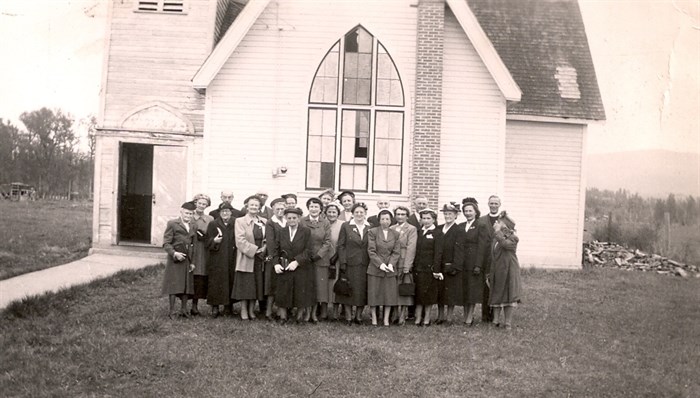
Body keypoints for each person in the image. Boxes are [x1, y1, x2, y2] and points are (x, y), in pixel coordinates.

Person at [270, 207, 314, 324]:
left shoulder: (306, 232)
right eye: (289, 218)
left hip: (301, 266)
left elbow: (308, 250)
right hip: (285, 266)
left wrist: (297, 261)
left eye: (294, 218)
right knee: (283, 292)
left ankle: (299, 318)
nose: (292, 220)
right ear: (285, 218)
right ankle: (283, 317)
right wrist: (275, 264)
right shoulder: (281, 232)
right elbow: (275, 250)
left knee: (300, 292)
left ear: (299, 219)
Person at [232, 195, 267, 320]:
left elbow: (267, 238)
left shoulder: (264, 221)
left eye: (256, 205)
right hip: (247, 256)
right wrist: (255, 250)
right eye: (251, 205)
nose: (253, 207)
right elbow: (240, 240)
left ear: (259, 208)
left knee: (256, 285)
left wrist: (264, 248)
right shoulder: (240, 221)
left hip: (260, 258)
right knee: (245, 285)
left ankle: (252, 310)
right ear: (247, 206)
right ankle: (243, 310)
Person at [336, 202, 371, 324]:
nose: (359, 214)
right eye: (356, 212)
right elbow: (341, 245)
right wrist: (343, 262)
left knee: (361, 290)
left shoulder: (369, 227)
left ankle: (359, 316)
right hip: (350, 263)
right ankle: (348, 317)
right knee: (348, 289)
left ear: (365, 213)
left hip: (365, 264)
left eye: (361, 212)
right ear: (352, 213)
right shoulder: (346, 226)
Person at [162, 201, 197, 319]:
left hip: (187, 259)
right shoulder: (172, 224)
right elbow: (166, 243)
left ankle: (184, 309)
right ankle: (171, 311)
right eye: (186, 213)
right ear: (181, 212)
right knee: (174, 284)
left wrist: (192, 262)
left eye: (191, 214)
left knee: (186, 285)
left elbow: (193, 244)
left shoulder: (193, 225)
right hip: (176, 259)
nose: (188, 216)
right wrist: (174, 253)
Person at [367, 209, 401, 326]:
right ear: (379, 220)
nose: (385, 221)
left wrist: (391, 264)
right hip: (375, 268)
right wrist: (380, 264)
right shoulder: (372, 232)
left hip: (390, 269)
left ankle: (386, 319)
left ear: (391, 220)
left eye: (387, 219)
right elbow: (371, 251)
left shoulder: (395, 234)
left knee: (389, 295)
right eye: (382, 219)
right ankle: (374, 319)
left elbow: (396, 252)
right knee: (374, 294)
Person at [489, 211, 521, 330]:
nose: (496, 223)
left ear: (505, 226)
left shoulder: (513, 238)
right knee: (497, 293)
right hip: (498, 269)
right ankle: (495, 321)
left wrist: (498, 232)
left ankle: (507, 322)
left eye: (499, 222)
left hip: (509, 269)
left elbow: (506, 245)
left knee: (508, 295)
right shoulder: (496, 237)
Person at [301, 197, 332, 323]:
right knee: (307, 287)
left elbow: (327, 242)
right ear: (308, 208)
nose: (314, 209)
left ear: (320, 209)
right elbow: (300, 240)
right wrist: (306, 256)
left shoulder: (325, 223)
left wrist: (319, 255)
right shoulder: (302, 221)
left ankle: (314, 314)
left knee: (319, 288)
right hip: (306, 259)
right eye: (311, 206)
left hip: (320, 260)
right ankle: (307, 313)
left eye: (316, 207)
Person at [460, 198, 490, 325]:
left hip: (474, 263)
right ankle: (465, 315)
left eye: (470, 211)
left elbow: (483, 246)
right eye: (465, 211)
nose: (468, 213)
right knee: (464, 289)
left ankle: (470, 317)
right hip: (462, 262)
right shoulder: (461, 226)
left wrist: (478, 264)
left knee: (472, 290)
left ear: (475, 212)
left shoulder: (481, 225)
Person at [435, 202, 465, 325]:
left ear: (456, 215)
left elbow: (459, 250)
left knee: (450, 293)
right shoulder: (439, 228)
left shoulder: (459, 230)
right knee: (440, 291)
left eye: (450, 214)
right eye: (446, 214)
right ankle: (440, 316)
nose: (448, 216)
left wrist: (455, 266)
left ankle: (449, 317)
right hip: (440, 265)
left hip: (450, 265)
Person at [206, 203, 237, 317]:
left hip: (232, 256)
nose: (225, 213)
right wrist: (214, 241)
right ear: (219, 213)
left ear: (231, 212)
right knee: (216, 281)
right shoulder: (213, 224)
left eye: (227, 211)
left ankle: (228, 306)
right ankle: (215, 307)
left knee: (230, 279)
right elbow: (207, 241)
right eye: (223, 211)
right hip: (217, 257)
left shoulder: (235, 223)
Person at [413, 208, 442, 326]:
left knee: (428, 294)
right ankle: (418, 317)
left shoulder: (438, 233)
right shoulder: (419, 232)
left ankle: (427, 319)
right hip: (418, 268)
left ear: (434, 219)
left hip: (429, 269)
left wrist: (436, 269)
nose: (426, 221)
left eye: (428, 218)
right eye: (423, 218)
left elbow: (438, 253)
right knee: (419, 293)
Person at [390, 205, 417, 325]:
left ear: (407, 216)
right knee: (393, 288)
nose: (400, 217)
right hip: (392, 262)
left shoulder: (411, 229)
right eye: (398, 214)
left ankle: (402, 315)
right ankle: (394, 313)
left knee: (404, 289)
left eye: (403, 214)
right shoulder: (391, 228)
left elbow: (411, 248)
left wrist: (407, 265)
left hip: (404, 261)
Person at [477, 195, 501, 323]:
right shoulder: (481, 220)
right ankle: (485, 315)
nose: (493, 205)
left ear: (499, 204)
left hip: (498, 257)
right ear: (488, 204)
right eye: (491, 203)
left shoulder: (504, 220)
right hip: (485, 257)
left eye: (496, 203)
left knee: (497, 286)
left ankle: (495, 316)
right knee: (485, 287)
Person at [190, 194, 214, 316]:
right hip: (192, 249)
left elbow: (212, 234)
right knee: (191, 276)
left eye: (204, 204)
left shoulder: (209, 219)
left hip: (204, 251)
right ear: (195, 203)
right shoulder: (189, 216)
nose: (201, 206)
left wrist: (206, 237)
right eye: (199, 203)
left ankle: (196, 305)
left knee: (201, 277)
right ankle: (187, 304)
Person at [263, 197, 286, 319]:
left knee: (282, 286)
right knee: (272, 286)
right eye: (277, 209)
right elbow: (271, 243)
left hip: (285, 257)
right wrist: (274, 260)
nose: (280, 211)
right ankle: (268, 312)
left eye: (282, 208)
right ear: (273, 209)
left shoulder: (287, 221)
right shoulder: (270, 223)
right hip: (274, 257)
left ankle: (280, 311)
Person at [324, 201, 344, 320]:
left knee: (336, 283)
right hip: (324, 258)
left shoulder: (343, 224)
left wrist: (337, 256)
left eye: (334, 212)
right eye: (329, 212)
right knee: (324, 285)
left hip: (337, 259)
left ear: (338, 213)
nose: (332, 214)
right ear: (325, 213)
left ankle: (336, 312)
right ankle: (324, 311)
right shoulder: (322, 223)